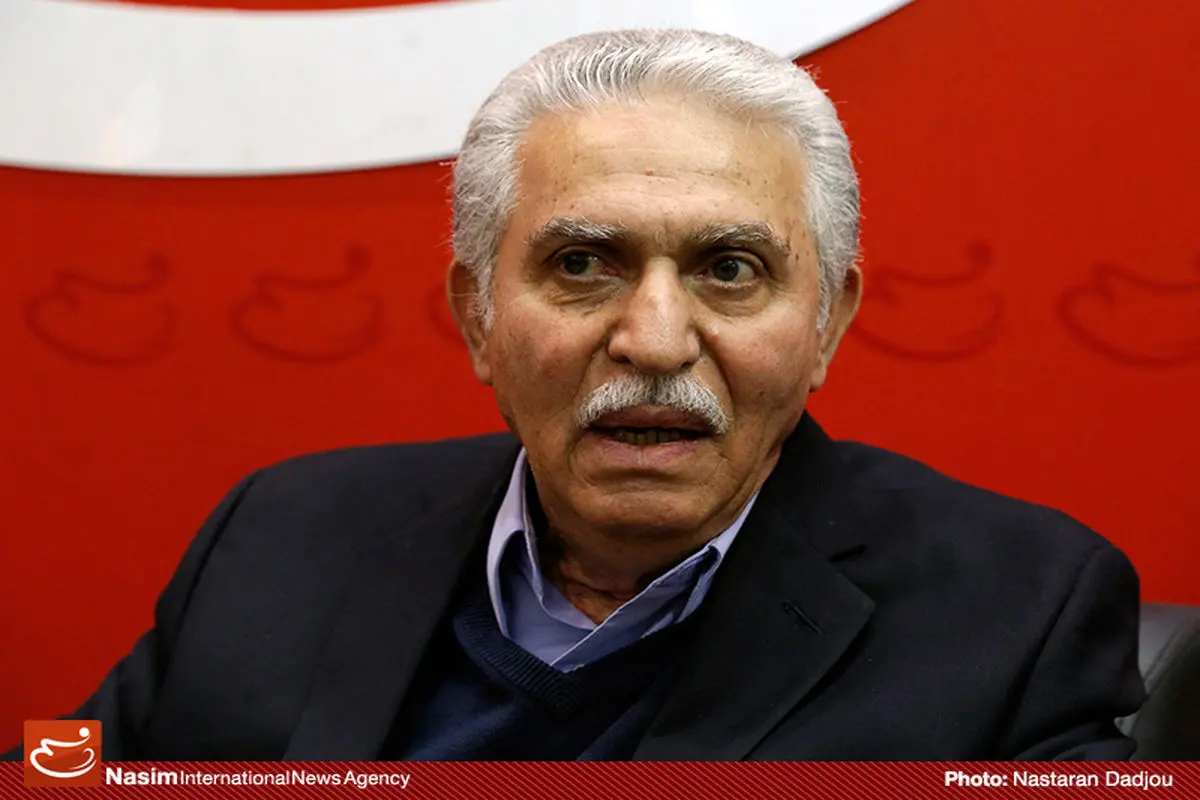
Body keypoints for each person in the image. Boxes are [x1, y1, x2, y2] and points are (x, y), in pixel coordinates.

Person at [5, 29, 1143, 761]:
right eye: (583, 263)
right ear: (478, 317)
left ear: (827, 323)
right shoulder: (282, 537)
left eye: (730, 269)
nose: (654, 341)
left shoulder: (1019, 613)